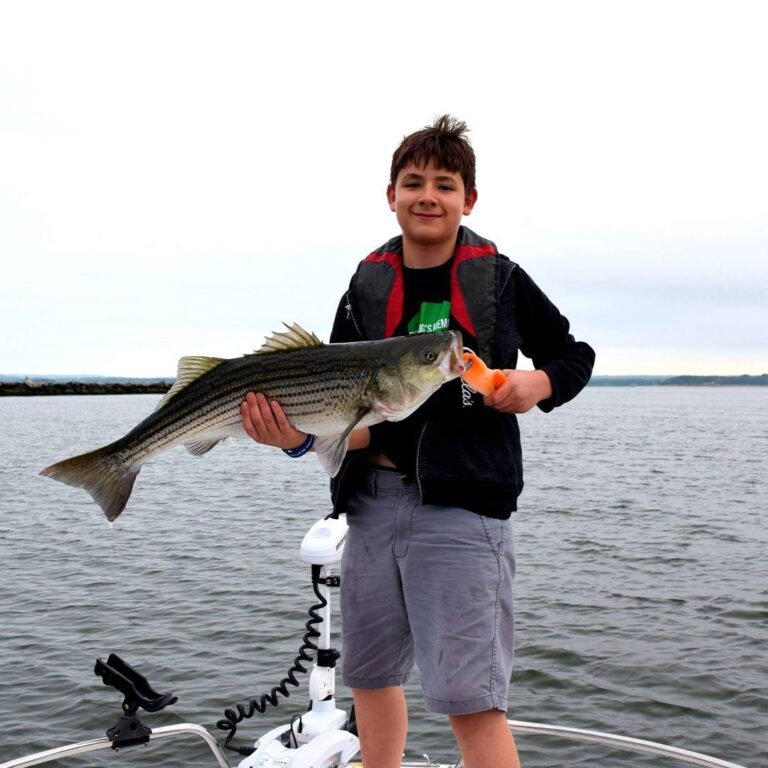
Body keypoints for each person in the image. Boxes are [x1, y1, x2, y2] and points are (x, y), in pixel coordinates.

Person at [240, 116, 595, 768]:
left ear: (469, 199)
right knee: (370, 678)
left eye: (444, 184)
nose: (427, 195)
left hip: (461, 510)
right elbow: (343, 411)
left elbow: (574, 355)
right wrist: (293, 439)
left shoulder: (501, 278)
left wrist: (536, 383)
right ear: (391, 195)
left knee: (470, 697)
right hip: (369, 505)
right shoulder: (366, 286)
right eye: (413, 183)